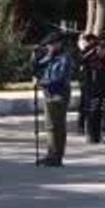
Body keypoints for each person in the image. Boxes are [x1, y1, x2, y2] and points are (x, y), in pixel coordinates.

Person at [34, 32, 74, 167]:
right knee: (51, 126)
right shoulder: (51, 56)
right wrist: (36, 57)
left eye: (51, 45)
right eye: (48, 45)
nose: (49, 47)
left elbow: (60, 78)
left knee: (56, 126)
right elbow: (38, 66)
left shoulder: (64, 58)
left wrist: (43, 83)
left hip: (59, 94)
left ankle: (55, 156)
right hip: (49, 94)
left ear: (59, 43)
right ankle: (52, 154)